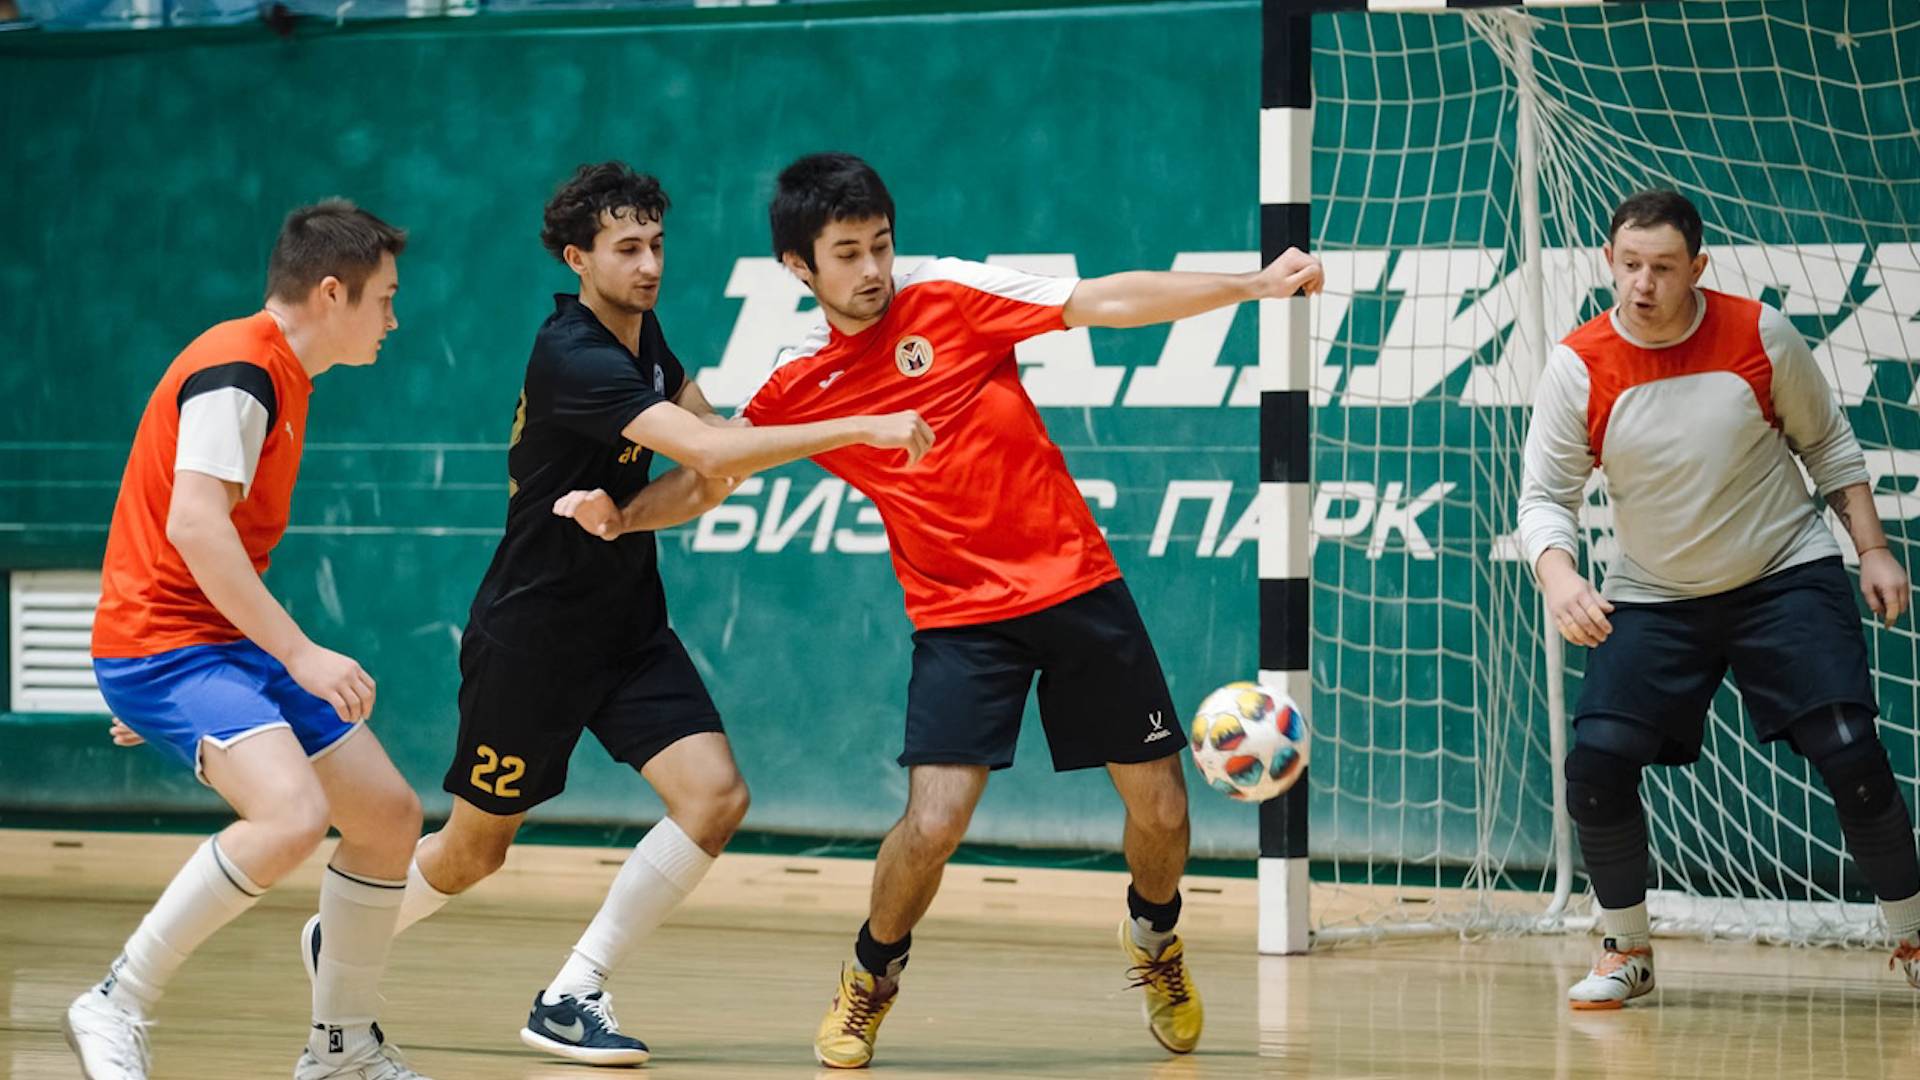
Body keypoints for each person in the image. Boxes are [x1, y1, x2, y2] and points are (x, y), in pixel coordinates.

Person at [741, 152, 1325, 1068]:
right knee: (933, 823)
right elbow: (713, 466)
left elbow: (1106, 301)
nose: (872, 269)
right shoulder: (801, 383)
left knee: (1163, 811)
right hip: (958, 618)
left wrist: (1251, 286)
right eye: (846, 254)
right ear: (798, 267)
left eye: (881, 245)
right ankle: (870, 975)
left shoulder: (950, 296)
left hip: (1077, 585)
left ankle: (1155, 937)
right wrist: (618, 510)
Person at [346, 162, 931, 1068]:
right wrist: (856, 425)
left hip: (625, 627)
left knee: (715, 798)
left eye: (657, 244)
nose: (651, 264)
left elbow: (717, 456)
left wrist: (641, 506)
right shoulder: (573, 354)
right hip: (533, 639)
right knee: (472, 854)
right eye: (627, 248)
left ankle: (571, 994)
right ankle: (342, 939)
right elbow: (707, 449)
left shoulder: (643, 334)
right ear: (578, 258)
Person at [1516, 188, 1920, 1009]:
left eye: (1664, 267)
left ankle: (1912, 935)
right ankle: (1627, 951)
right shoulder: (1579, 364)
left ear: (1697, 267)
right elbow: (1544, 499)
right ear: (1609, 261)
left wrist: (1873, 549)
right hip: (1655, 592)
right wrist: (1560, 576)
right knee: (1596, 766)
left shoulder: (1760, 334)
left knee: (1850, 752)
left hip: (1783, 573)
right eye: (1630, 264)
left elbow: (1828, 445)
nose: (1644, 284)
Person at [72, 200, 431, 1079]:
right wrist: (300, 654)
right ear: (333, 293)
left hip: (214, 644)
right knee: (291, 815)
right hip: (162, 642)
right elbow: (196, 526)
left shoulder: (282, 373)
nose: (394, 319)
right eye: (386, 298)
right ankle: (117, 999)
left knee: (387, 817)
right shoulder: (239, 369)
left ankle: (340, 1049)